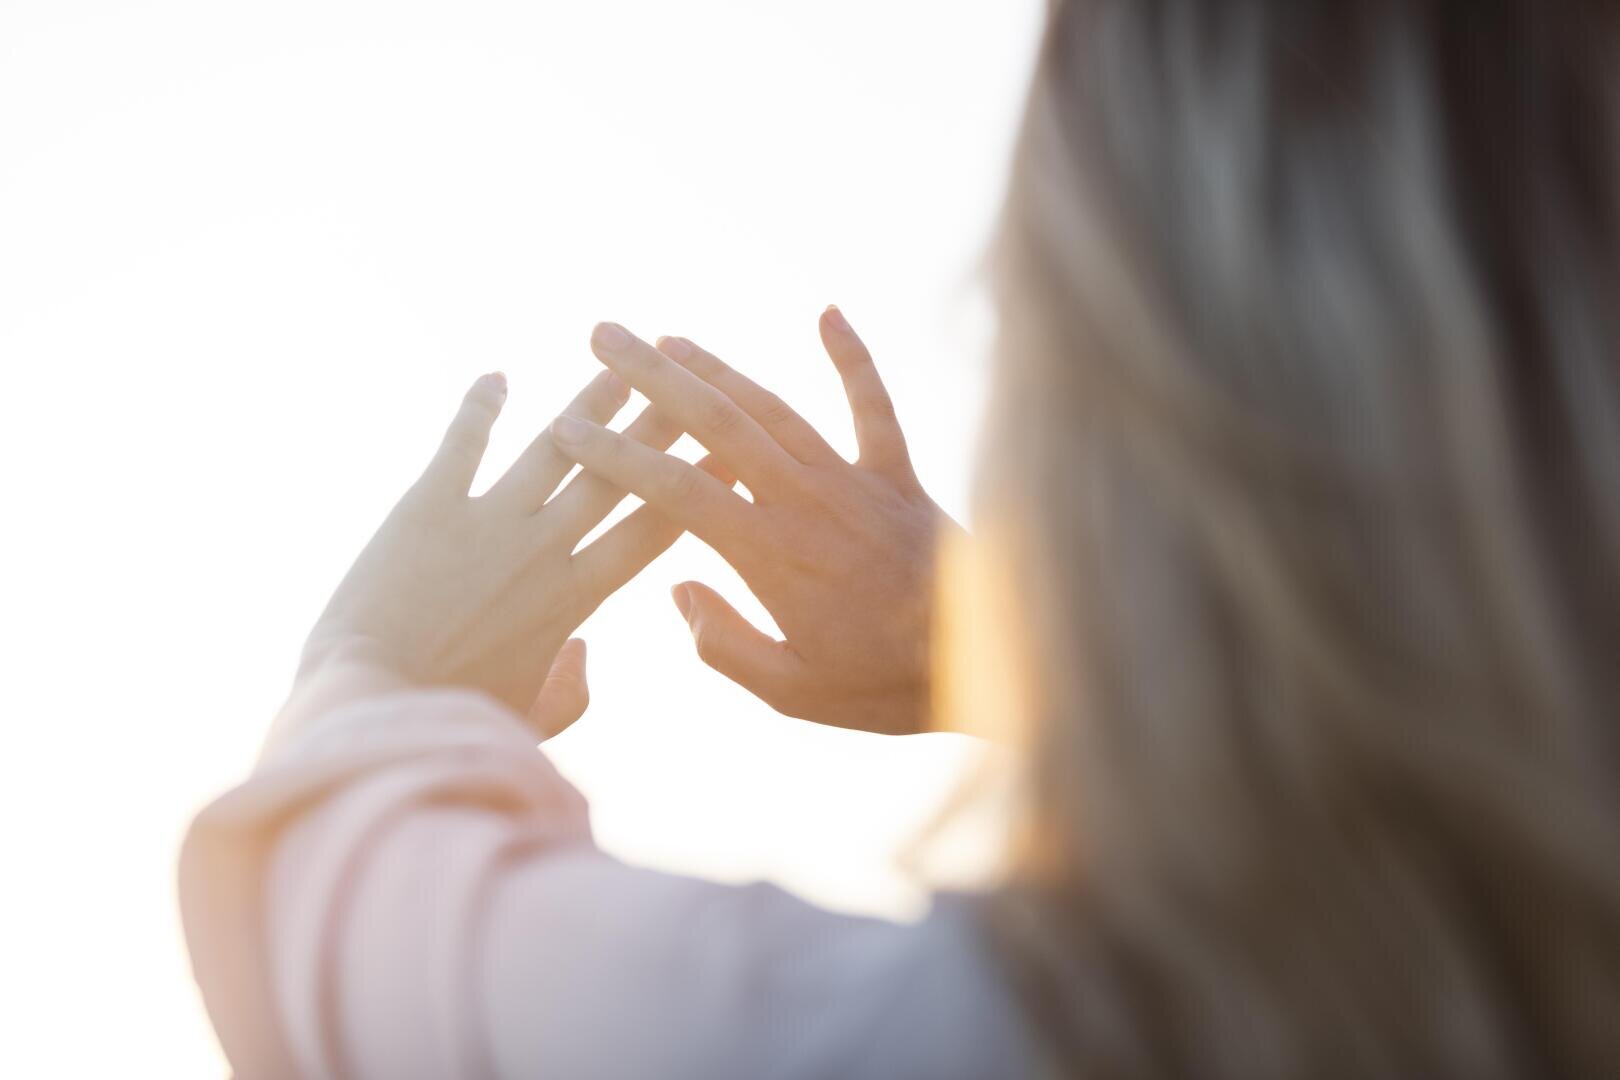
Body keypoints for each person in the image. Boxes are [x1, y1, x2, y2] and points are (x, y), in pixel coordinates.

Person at [182, 2, 1620, 1077]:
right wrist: (994, 651)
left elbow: (334, 934)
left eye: (1022, 321)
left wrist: (369, 672)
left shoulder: (1016, 1039)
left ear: (1166, 422)